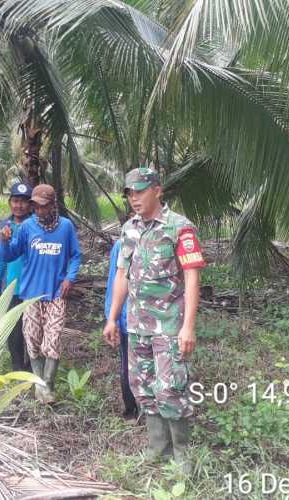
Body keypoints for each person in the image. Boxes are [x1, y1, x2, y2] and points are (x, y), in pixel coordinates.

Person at [102, 167, 206, 473]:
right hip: (137, 325)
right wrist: (112, 319)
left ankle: (182, 456)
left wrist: (188, 326)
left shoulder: (179, 228)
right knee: (143, 387)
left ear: (157, 191)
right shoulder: (129, 229)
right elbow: (122, 274)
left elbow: (192, 276)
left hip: (169, 326)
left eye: (140, 191)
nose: (134, 198)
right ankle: (157, 447)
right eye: (130, 193)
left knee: (170, 388)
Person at [0, 184, 81, 404]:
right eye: (35, 206)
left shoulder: (65, 227)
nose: (39, 211)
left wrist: (69, 278)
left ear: (53, 205)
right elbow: (10, 255)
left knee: (53, 340)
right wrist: (5, 241)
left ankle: (48, 385)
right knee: (33, 339)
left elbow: (75, 255)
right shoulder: (27, 227)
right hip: (31, 294)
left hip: (55, 294)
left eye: (43, 206)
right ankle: (39, 385)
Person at [0, 182, 33, 371]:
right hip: (11, 287)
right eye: (15, 201)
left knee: (32, 330)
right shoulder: (3, 226)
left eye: (23, 201)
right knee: (13, 330)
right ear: (9, 202)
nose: (19, 205)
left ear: (31, 204)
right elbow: (0, 259)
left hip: (32, 287)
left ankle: (32, 368)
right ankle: (17, 368)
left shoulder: (35, 225)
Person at [104, 225, 139, 419]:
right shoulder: (121, 245)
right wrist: (112, 318)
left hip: (154, 321)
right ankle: (131, 409)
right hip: (128, 318)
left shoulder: (165, 240)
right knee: (128, 366)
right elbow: (114, 281)